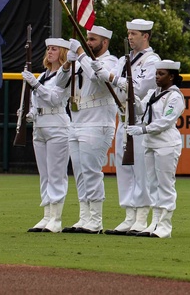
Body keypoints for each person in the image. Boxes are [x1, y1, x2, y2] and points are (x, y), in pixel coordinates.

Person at [106, 18, 162, 235]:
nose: (130, 37)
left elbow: (138, 89)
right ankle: (129, 214)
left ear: (145, 36)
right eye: (128, 33)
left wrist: (113, 79)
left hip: (138, 120)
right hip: (122, 118)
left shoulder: (151, 60)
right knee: (125, 169)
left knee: (140, 169)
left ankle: (141, 215)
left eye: (134, 34)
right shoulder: (123, 60)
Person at [62, 25, 120, 234]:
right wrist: (69, 62)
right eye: (87, 39)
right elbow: (61, 83)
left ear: (104, 42)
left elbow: (98, 78)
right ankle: (84, 218)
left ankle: (95, 220)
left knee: (91, 171)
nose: (88, 43)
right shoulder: (81, 62)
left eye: (93, 40)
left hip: (97, 123)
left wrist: (79, 54)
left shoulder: (110, 61)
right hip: (77, 121)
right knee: (79, 172)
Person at [126, 60, 185, 238]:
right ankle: (155, 222)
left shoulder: (175, 97)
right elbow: (140, 109)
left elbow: (166, 121)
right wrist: (130, 94)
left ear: (172, 76)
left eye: (161, 74)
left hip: (166, 143)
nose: (157, 77)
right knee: (152, 185)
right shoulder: (152, 93)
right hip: (150, 143)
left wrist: (143, 129)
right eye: (156, 74)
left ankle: (165, 225)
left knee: (165, 184)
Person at [22, 37, 72, 233]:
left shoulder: (64, 74)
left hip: (57, 125)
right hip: (40, 125)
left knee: (56, 173)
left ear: (62, 53)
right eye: (48, 49)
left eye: (54, 49)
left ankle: (56, 218)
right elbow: (39, 102)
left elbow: (54, 99)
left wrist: (35, 85)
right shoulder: (43, 76)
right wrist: (30, 113)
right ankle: (46, 215)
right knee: (44, 174)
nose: (50, 52)